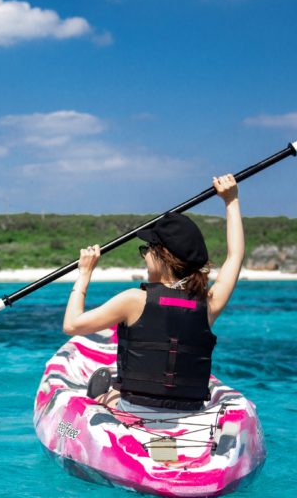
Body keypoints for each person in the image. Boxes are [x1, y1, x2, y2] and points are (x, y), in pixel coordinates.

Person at [62, 174, 243, 414]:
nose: (145, 254)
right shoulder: (208, 304)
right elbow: (235, 256)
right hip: (190, 412)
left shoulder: (134, 300)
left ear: (163, 255)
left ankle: (102, 394)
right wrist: (231, 201)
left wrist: (84, 273)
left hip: (136, 410)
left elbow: (72, 325)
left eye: (147, 248)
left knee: (110, 395)